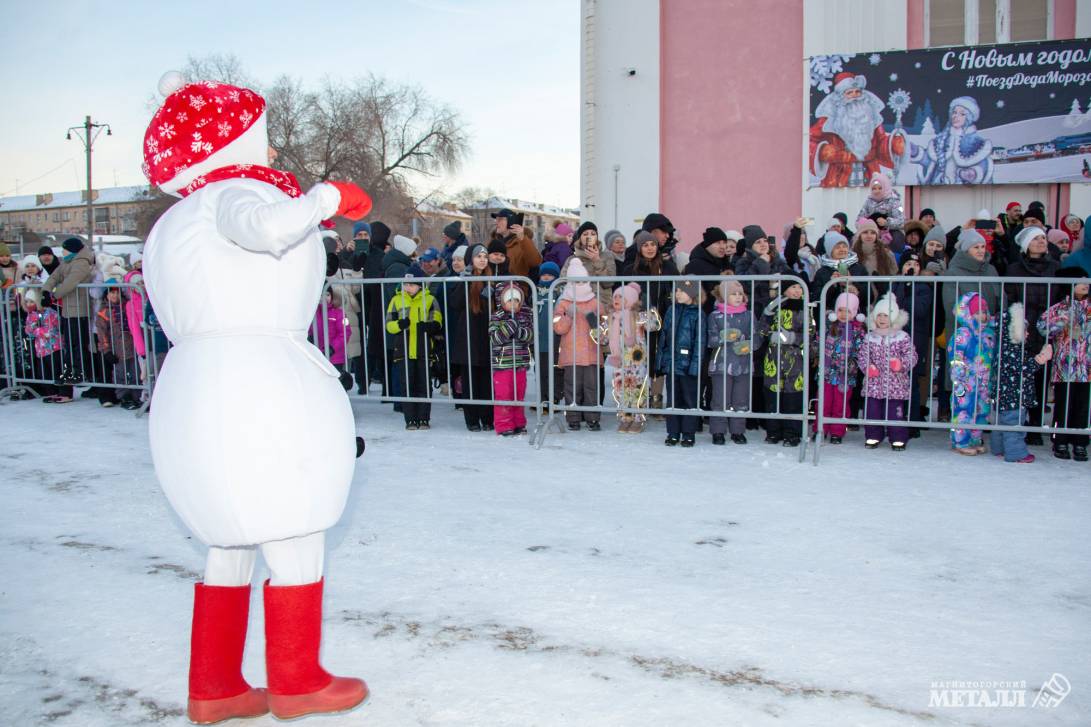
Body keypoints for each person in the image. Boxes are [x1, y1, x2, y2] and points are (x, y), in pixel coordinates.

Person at [141, 73, 372, 722]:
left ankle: (213, 685)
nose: (270, 157)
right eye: (260, 140)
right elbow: (264, 228)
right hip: (255, 383)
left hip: (191, 385)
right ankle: (296, 679)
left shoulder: (171, 222)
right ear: (232, 142)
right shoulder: (232, 194)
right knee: (293, 522)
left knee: (229, 538)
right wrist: (327, 195)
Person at [1005, 225, 1059, 442]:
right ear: (1027, 245)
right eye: (1036, 238)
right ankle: (1017, 423)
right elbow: (1010, 298)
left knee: (1040, 379)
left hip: (1047, 329)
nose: (1041, 241)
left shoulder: (1055, 267)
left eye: (1043, 238)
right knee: (1019, 379)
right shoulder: (1014, 269)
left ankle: (1036, 426)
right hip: (1022, 329)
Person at [809, 72, 906, 187]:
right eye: (849, 92)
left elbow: (880, 144)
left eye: (857, 91)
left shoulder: (871, 119)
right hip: (837, 177)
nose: (855, 96)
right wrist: (823, 151)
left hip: (870, 175)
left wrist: (893, 144)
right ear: (841, 97)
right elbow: (809, 141)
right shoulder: (829, 121)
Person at [1038, 264, 1091, 461]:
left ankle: (1080, 442)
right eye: (1080, 280)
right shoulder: (1059, 307)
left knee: (1083, 406)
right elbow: (1042, 327)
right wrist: (1060, 321)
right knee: (1063, 404)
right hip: (1064, 366)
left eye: (1086, 279)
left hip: (1087, 367)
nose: (1085, 283)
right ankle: (1059, 439)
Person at [991, 303, 1052, 463]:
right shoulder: (1013, 351)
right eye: (1024, 330)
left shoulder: (1001, 349)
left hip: (1002, 397)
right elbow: (1024, 368)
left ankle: (999, 449)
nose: (1027, 334)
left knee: (1000, 425)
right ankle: (1016, 453)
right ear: (1013, 332)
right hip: (1014, 398)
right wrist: (1040, 359)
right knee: (1014, 427)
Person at [386, 263, 443, 430]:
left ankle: (424, 418)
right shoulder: (396, 300)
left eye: (411, 284)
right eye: (405, 284)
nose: (407, 287)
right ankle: (410, 419)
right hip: (403, 350)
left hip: (423, 348)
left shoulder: (430, 299)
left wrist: (429, 326)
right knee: (407, 384)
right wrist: (399, 325)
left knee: (424, 384)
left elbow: (437, 319)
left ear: (420, 285)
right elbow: (389, 324)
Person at [857, 292, 917, 450]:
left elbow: (912, 355)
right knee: (872, 410)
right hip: (874, 384)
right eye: (879, 315)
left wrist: (901, 364)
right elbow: (863, 356)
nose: (882, 319)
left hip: (896, 384)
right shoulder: (870, 337)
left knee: (894, 413)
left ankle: (898, 437)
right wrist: (868, 367)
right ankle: (872, 435)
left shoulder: (902, 337)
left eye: (886, 315)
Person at [757, 281, 811, 447]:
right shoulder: (774, 307)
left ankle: (792, 433)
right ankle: (773, 431)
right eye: (793, 287)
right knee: (773, 397)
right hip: (774, 358)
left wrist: (795, 338)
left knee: (792, 398)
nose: (797, 290)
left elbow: (811, 334)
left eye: (799, 287)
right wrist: (768, 333)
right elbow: (761, 328)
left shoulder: (805, 309)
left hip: (795, 360)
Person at [447, 245, 495, 431]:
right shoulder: (465, 279)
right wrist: (464, 281)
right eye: (478, 256)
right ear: (470, 259)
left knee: (485, 382)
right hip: (469, 338)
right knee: (470, 382)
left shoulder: (492, 278)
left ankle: (487, 418)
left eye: (485, 256)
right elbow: (455, 303)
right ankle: (472, 419)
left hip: (486, 337)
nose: (482, 259)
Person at [553, 258, 603, 431]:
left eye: (582, 280)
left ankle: (592, 418)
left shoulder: (595, 302)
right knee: (571, 386)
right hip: (571, 353)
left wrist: (593, 319)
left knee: (591, 386)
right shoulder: (563, 303)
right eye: (575, 281)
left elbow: (603, 327)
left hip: (591, 353)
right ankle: (573, 417)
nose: (579, 284)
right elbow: (558, 327)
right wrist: (568, 316)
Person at [707, 280, 758, 445]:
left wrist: (749, 345)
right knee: (720, 399)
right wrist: (723, 337)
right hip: (721, 364)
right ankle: (718, 431)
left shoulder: (749, 315)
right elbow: (710, 340)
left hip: (743, 365)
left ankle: (738, 430)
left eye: (740, 294)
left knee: (740, 400)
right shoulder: (715, 316)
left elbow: (756, 337)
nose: (737, 297)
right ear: (723, 296)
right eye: (733, 294)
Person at [42, 237, 96, 389]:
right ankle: (70, 370)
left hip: (80, 309)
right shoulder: (66, 262)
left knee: (78, 343)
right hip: (68, 309)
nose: (62, 252)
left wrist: (53, 295)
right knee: (70, 343)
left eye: (64, 249)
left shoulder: (81, 262)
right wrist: (46, 291)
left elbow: (70, 283)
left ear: (72, 250)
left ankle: (79, 371)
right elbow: (54, 276)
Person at [657, 279, 704, 447]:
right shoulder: (671, 310)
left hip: (688, 365)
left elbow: (700, 341)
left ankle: (689, 433)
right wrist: (661, 360)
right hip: (672, 364)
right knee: (673, 400)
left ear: (692, 293)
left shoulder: (698, 313)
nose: (677, 294)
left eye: (681, 291)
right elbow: (664, 336)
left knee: (689, 400)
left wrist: (694, 365)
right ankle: (673, 432)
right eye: (676, 291)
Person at [949, 292, 996, 455]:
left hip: (984, 379)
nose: (981, 316)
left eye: (984, 312)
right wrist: (959, 373)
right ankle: (960, 442)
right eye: (977, 312)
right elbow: (955, 354)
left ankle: (975, 439)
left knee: (981, 410)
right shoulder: (963, 333)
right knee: (964, 410)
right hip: (965, 381)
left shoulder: (988, 334)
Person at [817, 291, 865, 444]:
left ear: (855, 313)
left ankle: (837, 431)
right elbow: (817, 342)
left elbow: (861, 351)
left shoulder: (858, 331)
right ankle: (821, 429)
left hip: (845, 376)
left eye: (848, 311)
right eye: (840, 310)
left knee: (840, 405)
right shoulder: (828, 327)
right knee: (823, 402)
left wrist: (852, 364)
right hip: (826, 373)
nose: (844, 314)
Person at [607, 282, 654, 434]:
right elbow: (602, 338)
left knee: (638, 389)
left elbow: (654, 325)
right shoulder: (612, 318)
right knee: (622, 390)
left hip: (637, 362)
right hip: (620, 361)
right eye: (615, 296)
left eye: (621, 297)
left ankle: (638, 418)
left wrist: (649, 309)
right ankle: (625, 417)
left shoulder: (638, 316)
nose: (617, 299)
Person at [915, 96, 993, 185]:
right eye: (954, 112)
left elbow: (984, 165)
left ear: (969, 118)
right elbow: (929, 161)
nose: (956, 116)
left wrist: (972, 173)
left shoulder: (977, 143)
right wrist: (916, 152)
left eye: (962, 114)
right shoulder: (941, 140)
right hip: (939, 186)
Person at [489, 282, 533, 436]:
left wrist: (519, 331)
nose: (514, 304)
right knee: (504, 395)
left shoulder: (525, 316)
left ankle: (518, 423)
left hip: (520, 363)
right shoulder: (497, 316)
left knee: (518, 394)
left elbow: (530, 336)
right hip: (502, 364)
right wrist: (508, 327)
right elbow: (495, 338)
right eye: (510, 300)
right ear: (502, 301)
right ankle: (503, 425)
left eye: (517, 300)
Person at [95, 281, 140, 409]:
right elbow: (102, 334)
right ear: (106, 295)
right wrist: (106, 350)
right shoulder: (103, 312)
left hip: (132, 345)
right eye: (111, 293)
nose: (114, 296)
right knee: (120, 374)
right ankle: (124, 396)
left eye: (116, 292)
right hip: (117, 349)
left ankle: (137, 396)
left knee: (136, 372)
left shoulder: (127, 307)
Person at [561, 221, 616, 311]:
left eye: (593, 234)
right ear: (580, 238)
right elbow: (562, 282)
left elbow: (609, 283)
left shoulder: (607, 256)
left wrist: (597, 260)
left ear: (597, 237)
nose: (589, 237)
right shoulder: (571, 259)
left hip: (602, 306)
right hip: (578, 307)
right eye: (585, 234)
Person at [22, 287, 65, 401]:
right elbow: (28, 330)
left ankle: (62, 392)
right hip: (41, 349)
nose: (29, 304)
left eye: (31, 301)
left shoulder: (50, 313)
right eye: (27, 301)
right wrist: (36, 330)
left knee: (57, 370)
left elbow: (49, 331)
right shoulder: (31, 315)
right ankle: (51, 392)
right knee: (45, 372)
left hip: (54, 347)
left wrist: (35, 329)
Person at [534, 261, 564, 406]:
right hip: (540, 339)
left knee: (555, 369)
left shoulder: (561, 294)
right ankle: (543, 397)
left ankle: (555, 397)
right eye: (544, 275)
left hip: (556, 338)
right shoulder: (535, 293)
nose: (546, 278)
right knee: (540, 369)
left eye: (550, 275)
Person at [491, 209, 542, 278]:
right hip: (493, 286)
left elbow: (535, 262)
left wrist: (522, 239)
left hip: (516, 287)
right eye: (496, 220)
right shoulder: (493, 243)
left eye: (500, 219)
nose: (496, 222)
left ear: (511, 222)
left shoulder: (523, 243)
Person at [311, 287, 349, 372]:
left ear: (332, 296)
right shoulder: (312, 313)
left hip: (335, 357)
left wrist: (332, 348)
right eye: (321, 295)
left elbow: (346, 332)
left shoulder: (339, 313)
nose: (324, 298)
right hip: (317, 356)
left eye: (327, 295)